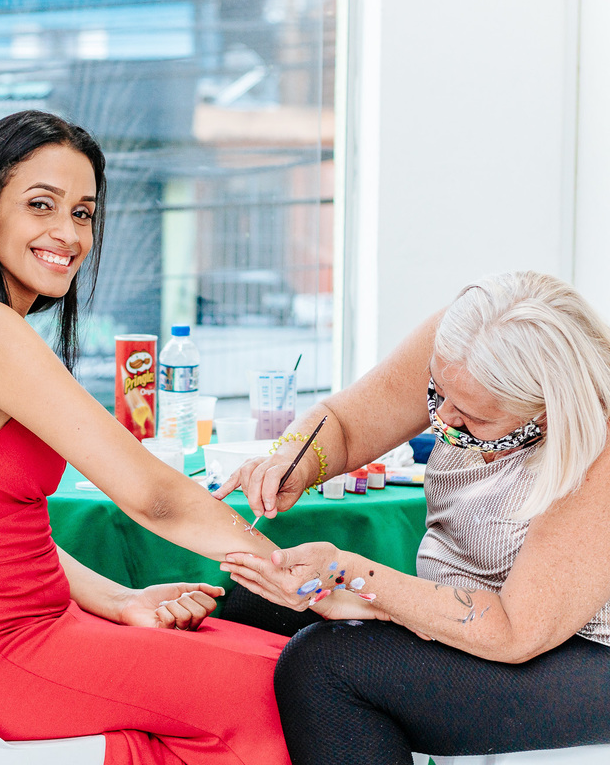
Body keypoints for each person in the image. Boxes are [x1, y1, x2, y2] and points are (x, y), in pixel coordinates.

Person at [0, 110, 311, 765]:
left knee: (271, 655)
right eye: (41, 204)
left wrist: (120, 598)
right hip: (0, 660)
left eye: (83, 213)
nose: (68, 234)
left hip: (7, 639)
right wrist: (292, 575)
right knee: (286, 689)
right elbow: (153, 496)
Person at [216, 271, 610, 764]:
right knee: (254, 599)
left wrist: (352, 577)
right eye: (436, 393)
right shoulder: (467, 343)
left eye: (472, 419)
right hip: (479, 615)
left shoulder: (598, 450)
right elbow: (345, 422)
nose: (442, 418)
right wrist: (293, 457)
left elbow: (515, 630)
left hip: (580, 654)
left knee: (324, 665)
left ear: (546, 413)